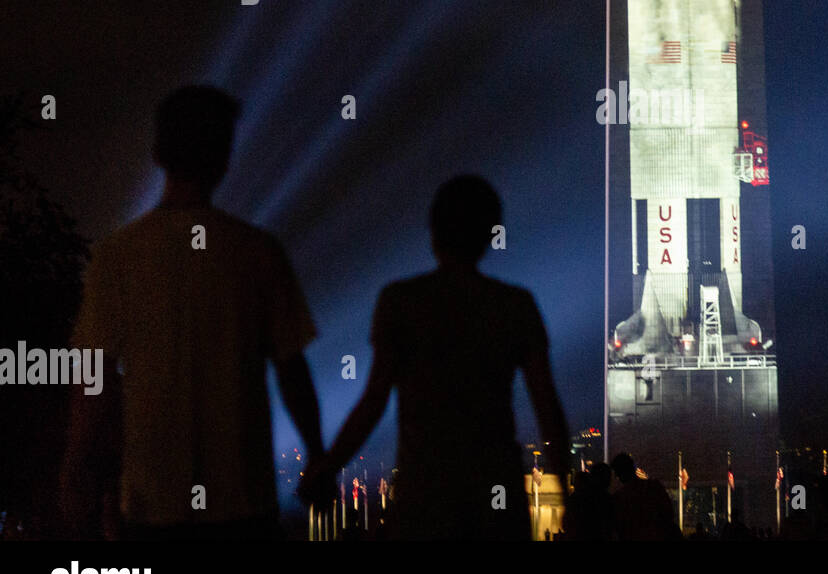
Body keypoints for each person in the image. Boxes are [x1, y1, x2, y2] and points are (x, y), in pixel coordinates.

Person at [60, 86, 323, 539]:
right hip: (243, 504)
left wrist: (76, 465)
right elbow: (291, 369)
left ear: (159, 154)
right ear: (224, 156)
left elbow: (94, 379)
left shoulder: (117, 257)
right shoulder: (258, 254)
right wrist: (318, 458)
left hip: (151, 504)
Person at [301, 175, 569, 539]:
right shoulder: (514, 306)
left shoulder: (400, 302)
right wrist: (568, 496)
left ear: (433, 232)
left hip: (423, 498)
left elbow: (373, 402)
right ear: (492, 234)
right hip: (495, 499)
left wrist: (327, 467)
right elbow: (547, 406)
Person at [609, 452, 680, 540]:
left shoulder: (620, 498)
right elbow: (668, 514)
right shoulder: (654, 487)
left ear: (618, 474)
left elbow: (619, 527)